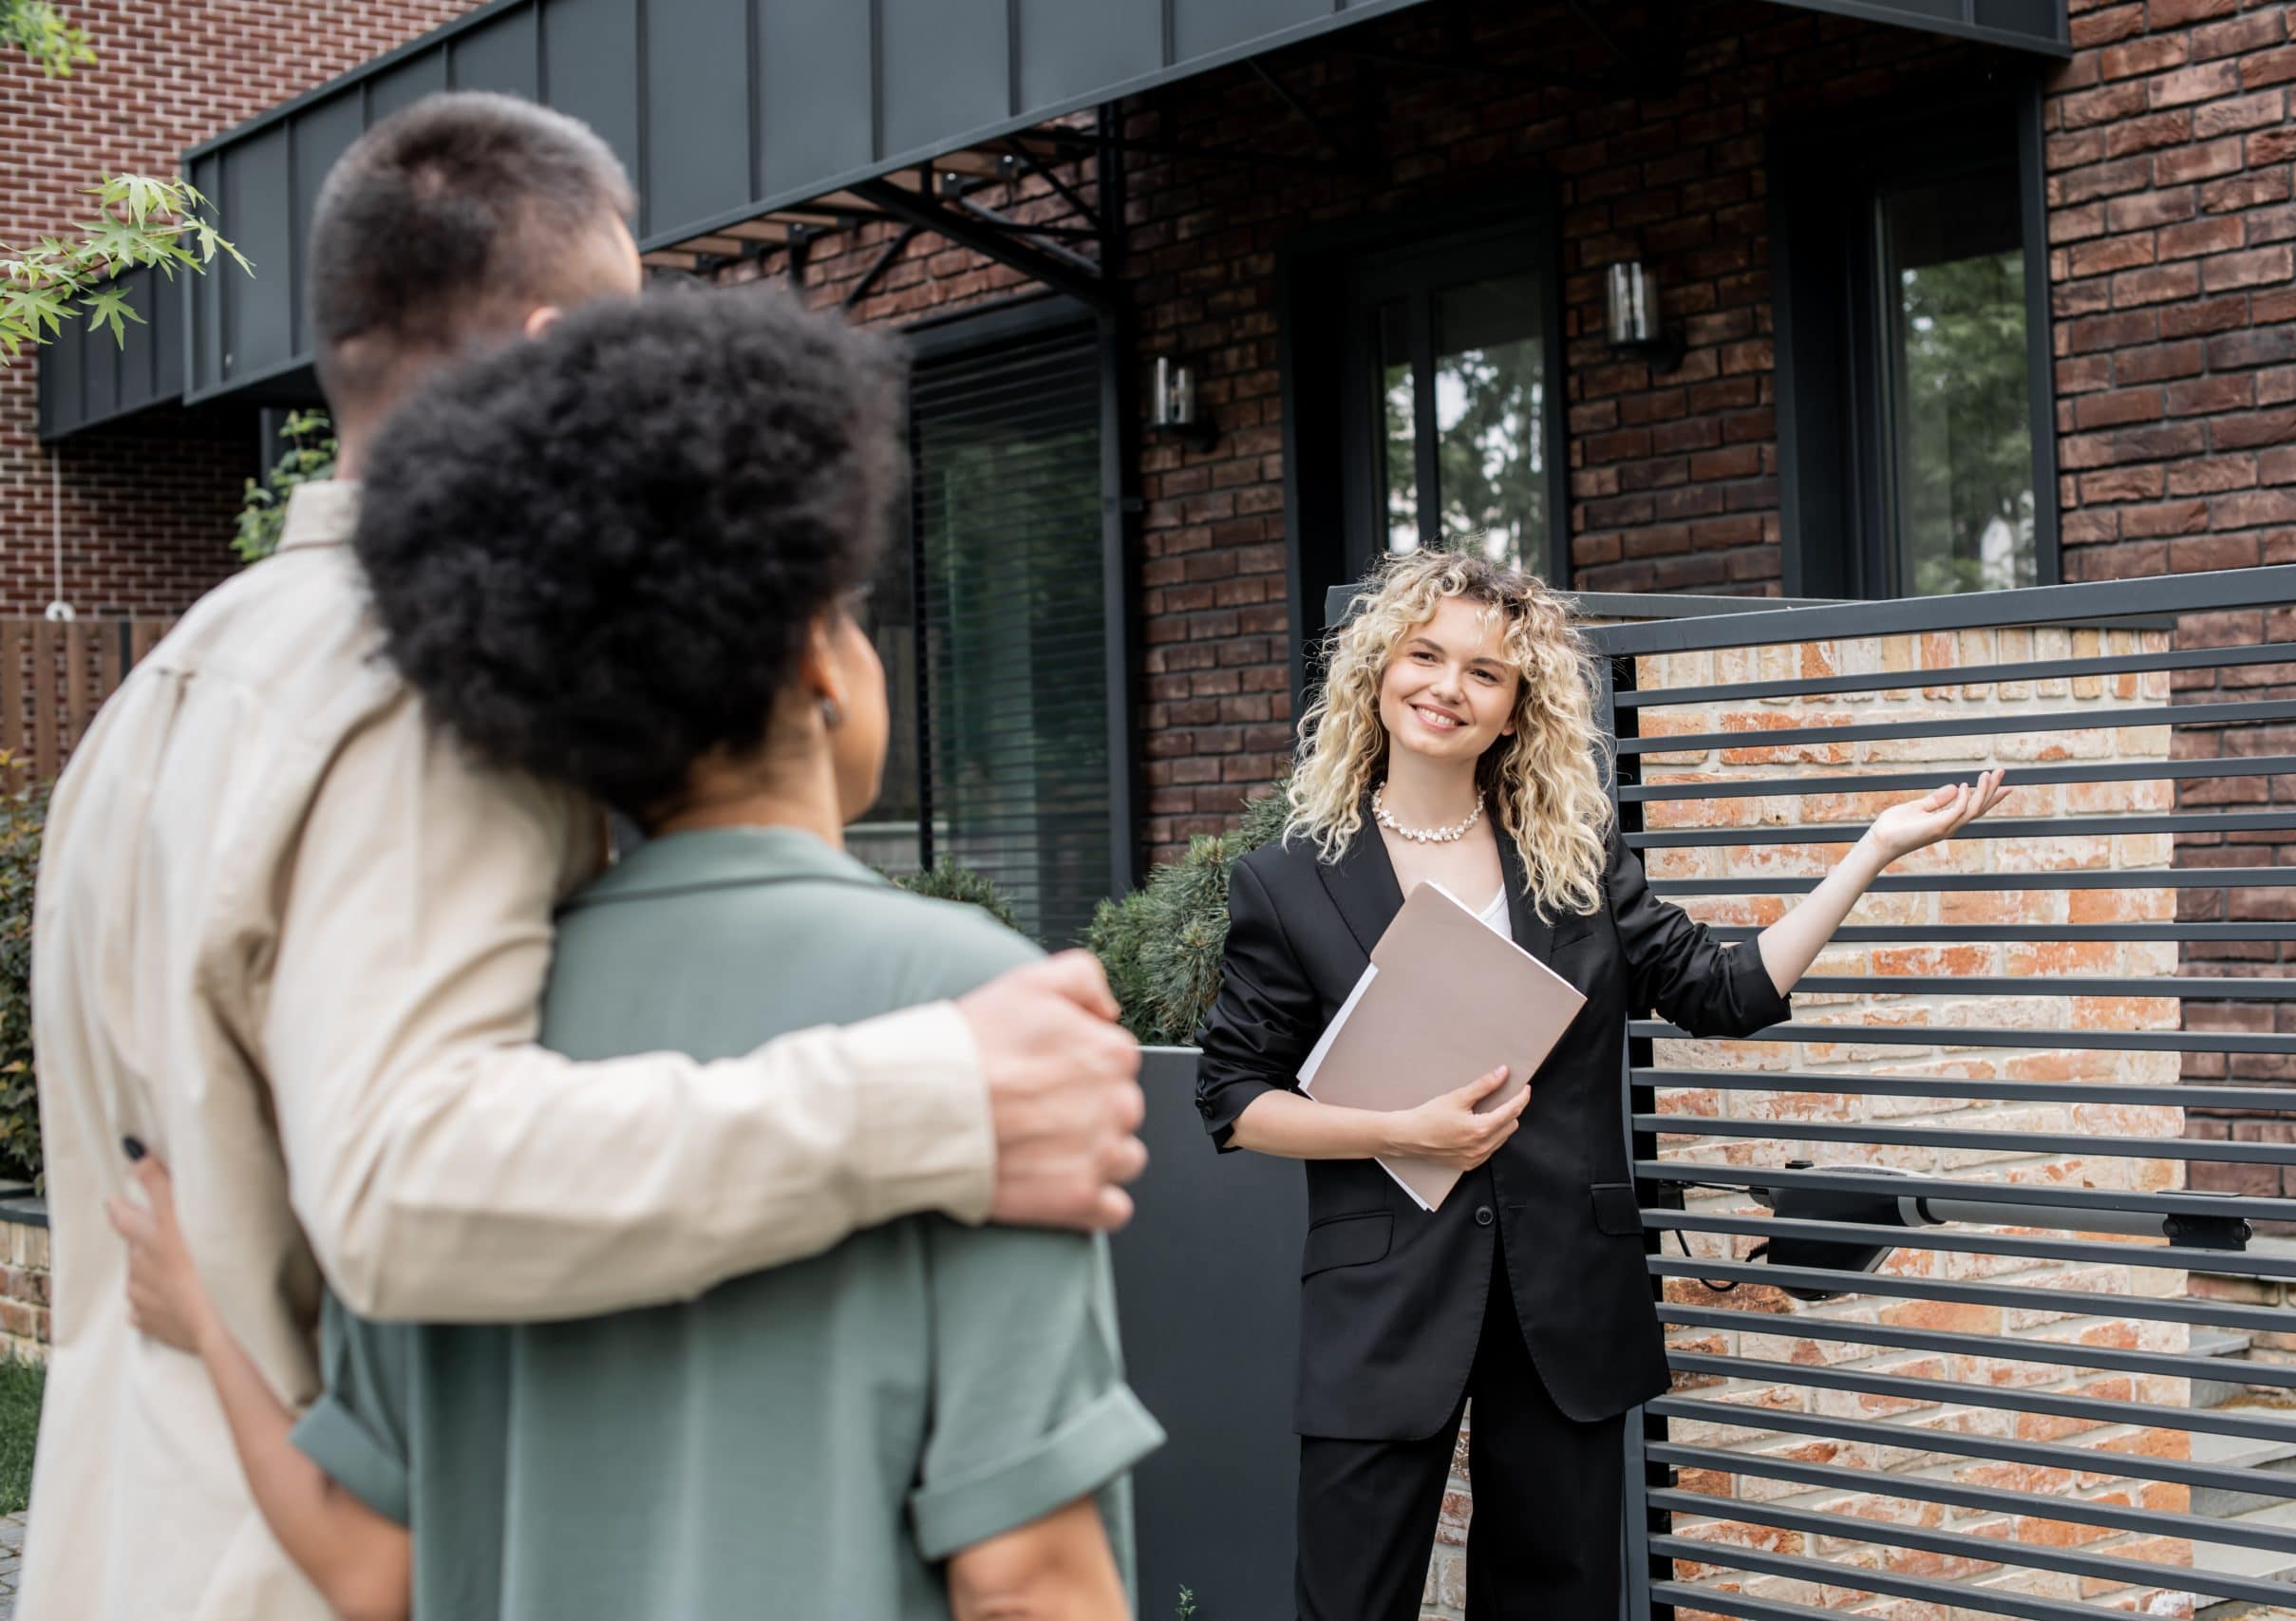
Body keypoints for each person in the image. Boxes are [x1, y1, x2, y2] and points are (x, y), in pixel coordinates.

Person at [28, 93, 1144, 1621]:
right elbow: (407, 1179)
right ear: (558, 359)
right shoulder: (419, 689)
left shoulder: (166, 690)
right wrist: (939, 1091)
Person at [1195, 550, 2007, 1620]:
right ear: (1376, 673)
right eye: (1425, 655)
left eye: (1485, 673)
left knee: (1562, 1600)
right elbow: (1235, 1096)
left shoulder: (1571, 863)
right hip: (1382, 1298)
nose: (1447, 687)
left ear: (1514, 709)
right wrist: (1402, 1129)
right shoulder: (1287, 880)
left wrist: (1870, 851)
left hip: (1566, 1296)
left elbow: (1723, 989)